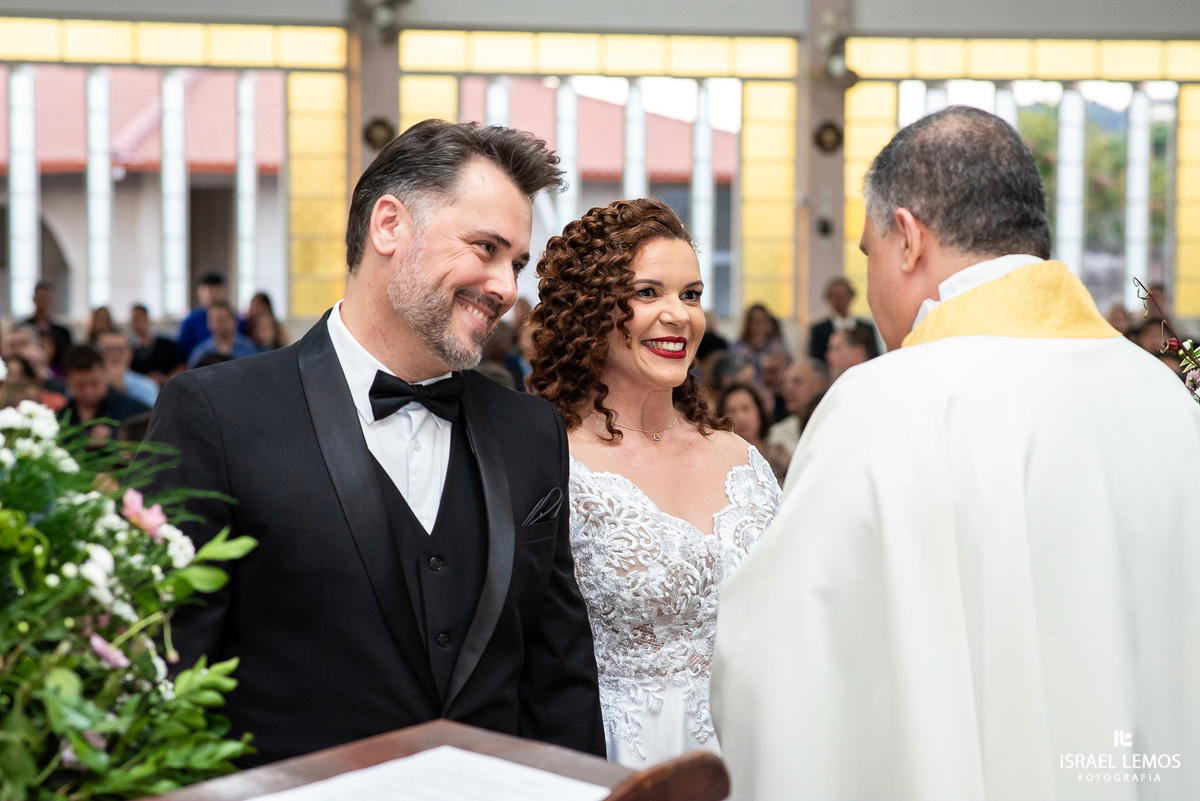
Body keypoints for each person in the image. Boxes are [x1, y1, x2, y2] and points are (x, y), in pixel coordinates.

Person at [712, 105, 1200, 800]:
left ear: (908, 239)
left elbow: (781, 665)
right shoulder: (1166, 399)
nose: (871, 283)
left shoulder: (886, 404)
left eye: (869, 253)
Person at [142, 119, 604, 766]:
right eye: (486, 248)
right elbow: (162, 670)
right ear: (389, 225)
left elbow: (559, 679)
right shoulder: (216, 414)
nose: (506, 287)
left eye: (516, 264)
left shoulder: (530, 431)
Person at [527, 198, 780, 767]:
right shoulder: (551, 465)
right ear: (590, 310)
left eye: (691, 294)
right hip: (618, 755)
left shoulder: (741, 459)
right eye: (647, 293)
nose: (679, 315)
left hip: (754, 751)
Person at [60, 345, 150, 442]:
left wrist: (114, 436)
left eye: (94, 383)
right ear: (69, 382)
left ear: (106, 376)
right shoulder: (61, 418)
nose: (88, 391)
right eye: (81, 385)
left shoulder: (137, 412)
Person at [716, 382, 788, 485]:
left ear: (759, 410)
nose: (740, 417)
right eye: (732, 411)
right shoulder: (721, 462)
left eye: (745, 408)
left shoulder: (778, 454)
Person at [765, 358, 830, 459]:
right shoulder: (777, 434)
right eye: (785, 383)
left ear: (820, 386)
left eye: (797, 382)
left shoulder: (837, 424)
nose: (788, 388)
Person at [807, 276, 879, 366]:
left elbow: (874, 357)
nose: (840, 299)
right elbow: (816, 363)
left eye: (844, 295)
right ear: (829, 299)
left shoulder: (867, 329)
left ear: (851, 296)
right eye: (835, 295)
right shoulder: (819, 330)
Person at [177, 272, 239, 359]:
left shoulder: (237, 319)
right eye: (209, 290)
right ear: (200, 291)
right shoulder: (190, 322)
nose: (213, 294)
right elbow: (182, 353)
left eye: (217, 290)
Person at [96, 328, 159, 408]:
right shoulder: (87, 385)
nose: (115, 354)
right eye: (108, 349)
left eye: (120, 349)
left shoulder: (148, 387)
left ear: (130, 353)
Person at [185, 301, 258, 368]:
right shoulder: (199, 353)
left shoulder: (248, 350)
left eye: (223, 319)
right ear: (208, 323)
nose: (219, 324)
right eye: (215, 320)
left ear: (234, 321)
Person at [129, 303, 185, 385]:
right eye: (134, 319)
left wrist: (166, 379)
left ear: (147, 319)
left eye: (140, 318)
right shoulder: (129, 350)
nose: (137, 322)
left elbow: (181, 367)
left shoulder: (166, 344)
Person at [24, 280, 72, 371]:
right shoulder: (23, 328)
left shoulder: (63, 333)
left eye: (45, 298)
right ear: (34, 299)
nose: (42, 301)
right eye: (39, 297)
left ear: (52, 300)